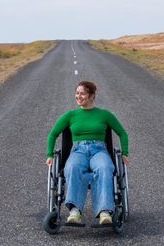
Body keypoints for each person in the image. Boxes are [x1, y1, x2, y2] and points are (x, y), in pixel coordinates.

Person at [46, 80, 129, 225]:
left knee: (105, 167)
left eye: (82, 93)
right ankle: (74, 212)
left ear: (91, 96)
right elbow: (53, 134)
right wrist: (49, 155)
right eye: (77, 93)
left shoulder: (104, 115)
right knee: (71, 167)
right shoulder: (70, 115)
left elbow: (122, 133)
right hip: (78, 150)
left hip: (99, 150)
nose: (78, 96)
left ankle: (104, 212)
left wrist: (125, 152)